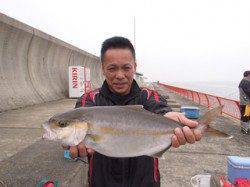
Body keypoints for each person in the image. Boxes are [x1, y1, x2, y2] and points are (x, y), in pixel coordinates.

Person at [65, 36, 202, 187]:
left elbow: (161, 110)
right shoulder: (89, 100)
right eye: (112, 68)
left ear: (134, 67)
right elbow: (77, 119)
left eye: (126, 68)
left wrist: (172, 121)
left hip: (146, 183)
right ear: (103, 68)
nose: (119, 75)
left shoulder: (149, 96)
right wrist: (71, 139)